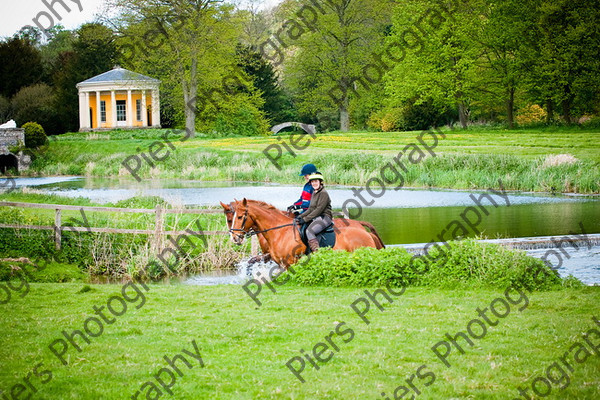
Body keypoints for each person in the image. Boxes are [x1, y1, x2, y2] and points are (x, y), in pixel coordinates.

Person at [294, 172, 332, 252]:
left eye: (316, 181)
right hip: (317, 216)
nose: (314, 183)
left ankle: (317, 253)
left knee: (309, 231)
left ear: (320, 182)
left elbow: (318, 210)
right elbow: (311, 209)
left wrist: (305, 219)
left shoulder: (323, 193)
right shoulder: (314, 193)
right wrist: (300, 216)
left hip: (324, 217)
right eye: (312, 182)